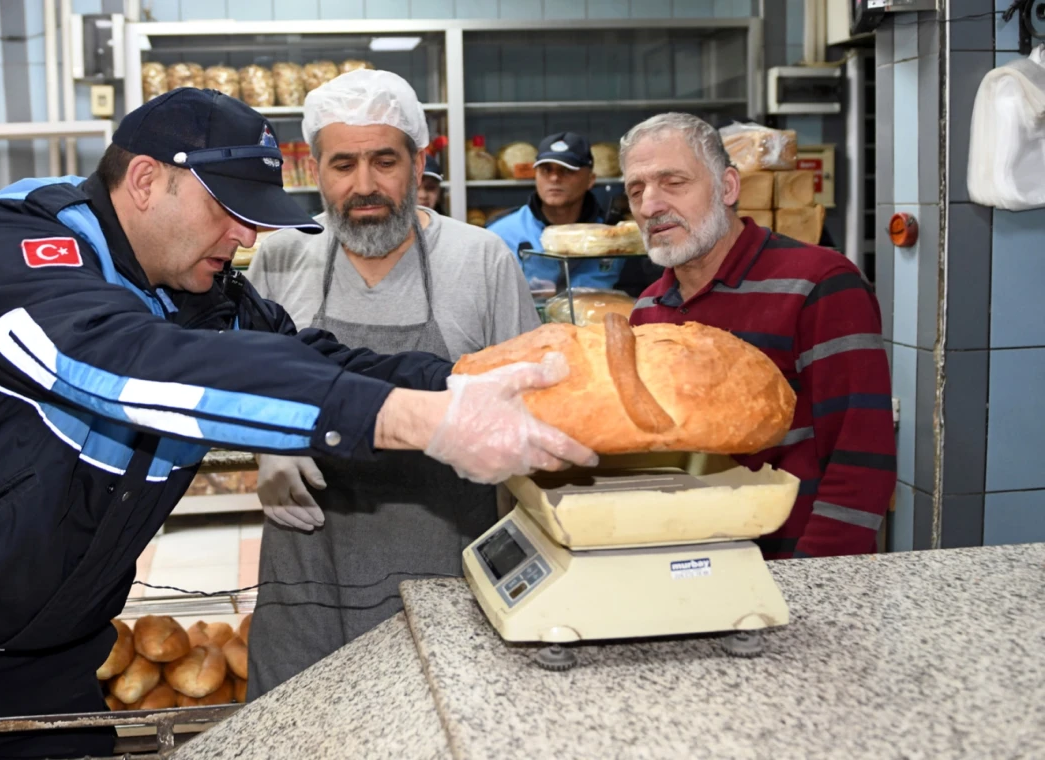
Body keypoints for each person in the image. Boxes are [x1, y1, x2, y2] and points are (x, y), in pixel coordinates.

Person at [0, 89, 596, 760]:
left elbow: (323, 362)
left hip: (47, 670)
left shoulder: (205, 299)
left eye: (259, 215)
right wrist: (416, 421)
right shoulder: (12, 246)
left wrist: (487, 385)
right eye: (228, 210)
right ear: (144, 182)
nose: (247, 237)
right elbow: (122, 363)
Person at [243, 70, 542, 700]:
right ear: (314, 170)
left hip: (449, 558)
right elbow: (246, 378)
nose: (364, 185)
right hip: (308, 563)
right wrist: (267, 444)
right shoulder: (279, 257)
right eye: (342, 164)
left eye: (384, 160)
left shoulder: (481, 259)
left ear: (418, 161)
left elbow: (531, 411)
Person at [620, 113, 895, 559]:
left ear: (728, 187)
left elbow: (861, 457)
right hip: (691, 566)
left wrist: (817, 582)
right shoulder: (648, 309)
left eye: (673, 182)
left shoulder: (819, 283)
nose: (651, 205)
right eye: (637, 190)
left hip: (795, 568)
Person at [487, 131, 624, 292]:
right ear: (535, 176)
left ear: (590, 180)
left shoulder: (613, 237)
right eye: (546, 170)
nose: (554, 178)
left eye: (567, 171)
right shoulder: (501, 234)